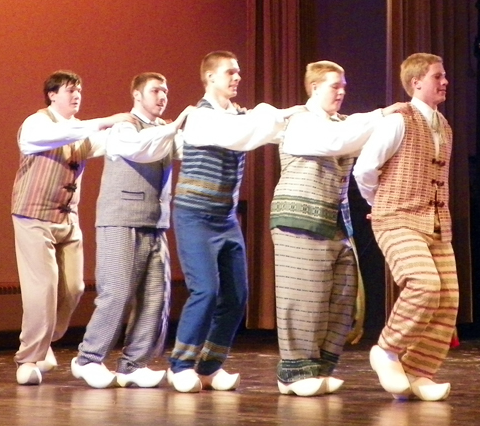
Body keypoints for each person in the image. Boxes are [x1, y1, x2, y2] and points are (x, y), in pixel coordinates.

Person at [167, 50, 305, 393]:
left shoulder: (241, 116)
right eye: (230, 72)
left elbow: (268, 131)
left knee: (237, 296)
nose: (237, 77)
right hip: (195, 214)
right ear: (210, 77)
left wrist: (309, 114)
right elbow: (242, 133)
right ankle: (180, 365)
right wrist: (277, 113)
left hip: (225, 219)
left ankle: (209, 367)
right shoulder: (201, 117)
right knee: (206, 290)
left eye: (238, 72)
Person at [269, 60, 407, 397]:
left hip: (335, 221)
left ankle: (319, 368)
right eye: (335, 85)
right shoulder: (300, 121)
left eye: (344, 85)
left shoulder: (344, 124)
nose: (342, 91)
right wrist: (381, 114)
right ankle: (293, 373)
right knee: (304, 298)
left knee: (343, 298)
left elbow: (367, 146)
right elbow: (335, 141)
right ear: (314, 87)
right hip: (298, 219)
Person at [71, 72, 193, 389]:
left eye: (166, 91)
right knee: (118, 292)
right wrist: (175, 125)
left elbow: (188, 149)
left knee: (157, 297)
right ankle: (88, 359)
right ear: (137, 95)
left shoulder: (162, 131)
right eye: (155, 90)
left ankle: (133, 364)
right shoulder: (126, 128)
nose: (162, 96)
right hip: (120, 218)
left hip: (155, 222)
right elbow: (142, 149)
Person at [12, 70, 134, 385]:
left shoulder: (80, 132)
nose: (76, 94)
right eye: (69, 90)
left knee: (74, 287)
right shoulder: (36, 124)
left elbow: (112, 142)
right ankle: (29, 358)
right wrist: (107, 119)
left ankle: (45, 340)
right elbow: (54, 137)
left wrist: (144, 127)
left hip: (67, 220)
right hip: (34, 217)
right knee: (43, 289)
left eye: (79, 89)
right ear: (52, 95)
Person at [353, 53, 459, 401]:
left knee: (447, 299)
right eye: (437, 76)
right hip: (397, 219)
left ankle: (419, 370)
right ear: (416, 82)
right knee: (424, 283)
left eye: (444, 77)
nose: (444, 82)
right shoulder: (398, 120)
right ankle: (387, 349)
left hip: (435, 222)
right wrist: (379, 203)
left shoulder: (444, 126)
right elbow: (364, 169)